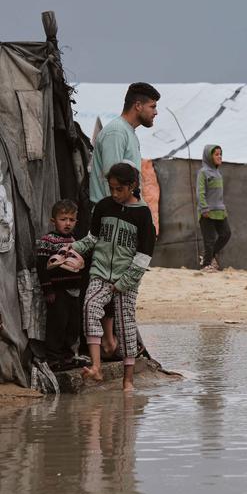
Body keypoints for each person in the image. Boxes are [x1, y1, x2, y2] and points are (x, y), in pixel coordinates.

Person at [72, 162, 156, 391]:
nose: (115, 194)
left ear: (132, 186)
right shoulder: (103, 207)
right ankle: (97, 367)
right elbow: (92, 238)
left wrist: (125, 283)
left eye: (120, 189)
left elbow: (144, 255)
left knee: (126, 325)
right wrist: (72, 249)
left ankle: (128, 380)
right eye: (112, 189)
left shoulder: (143, 214)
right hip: (100, 273)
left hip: (126, 279)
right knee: (90, 306)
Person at [87, 83, 159, 220]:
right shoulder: (116, 132)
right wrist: (120, 216)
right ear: (138, 106)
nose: (156, 112)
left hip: (122, 214)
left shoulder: (128, 132)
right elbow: (112, 180)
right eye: (152, 106)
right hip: (111, 217)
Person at [37, 200, 88, 369]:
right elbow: (41, 266)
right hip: (57, 291)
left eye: (71, 220)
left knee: (72, 325)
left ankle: (68, 357)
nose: (67, 223)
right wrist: (48, 289)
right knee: (57, 324)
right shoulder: (48, 240)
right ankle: (53, 359)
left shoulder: (75, 241)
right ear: (53, 221)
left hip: (74, 291)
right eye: (63, 219)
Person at [197, 144, 230, 271]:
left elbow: (218, 195)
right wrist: (204, 208)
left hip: (220, 211)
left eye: (220, 154)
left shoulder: (218, 173)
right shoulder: (203, 172)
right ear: (209, 157)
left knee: (226, 234)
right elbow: (200, 192)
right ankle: (206, 265)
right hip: (208, 212)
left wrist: (223, 208)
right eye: (216, 154)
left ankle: (210, 256)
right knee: (209, 239)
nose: (219, 156)